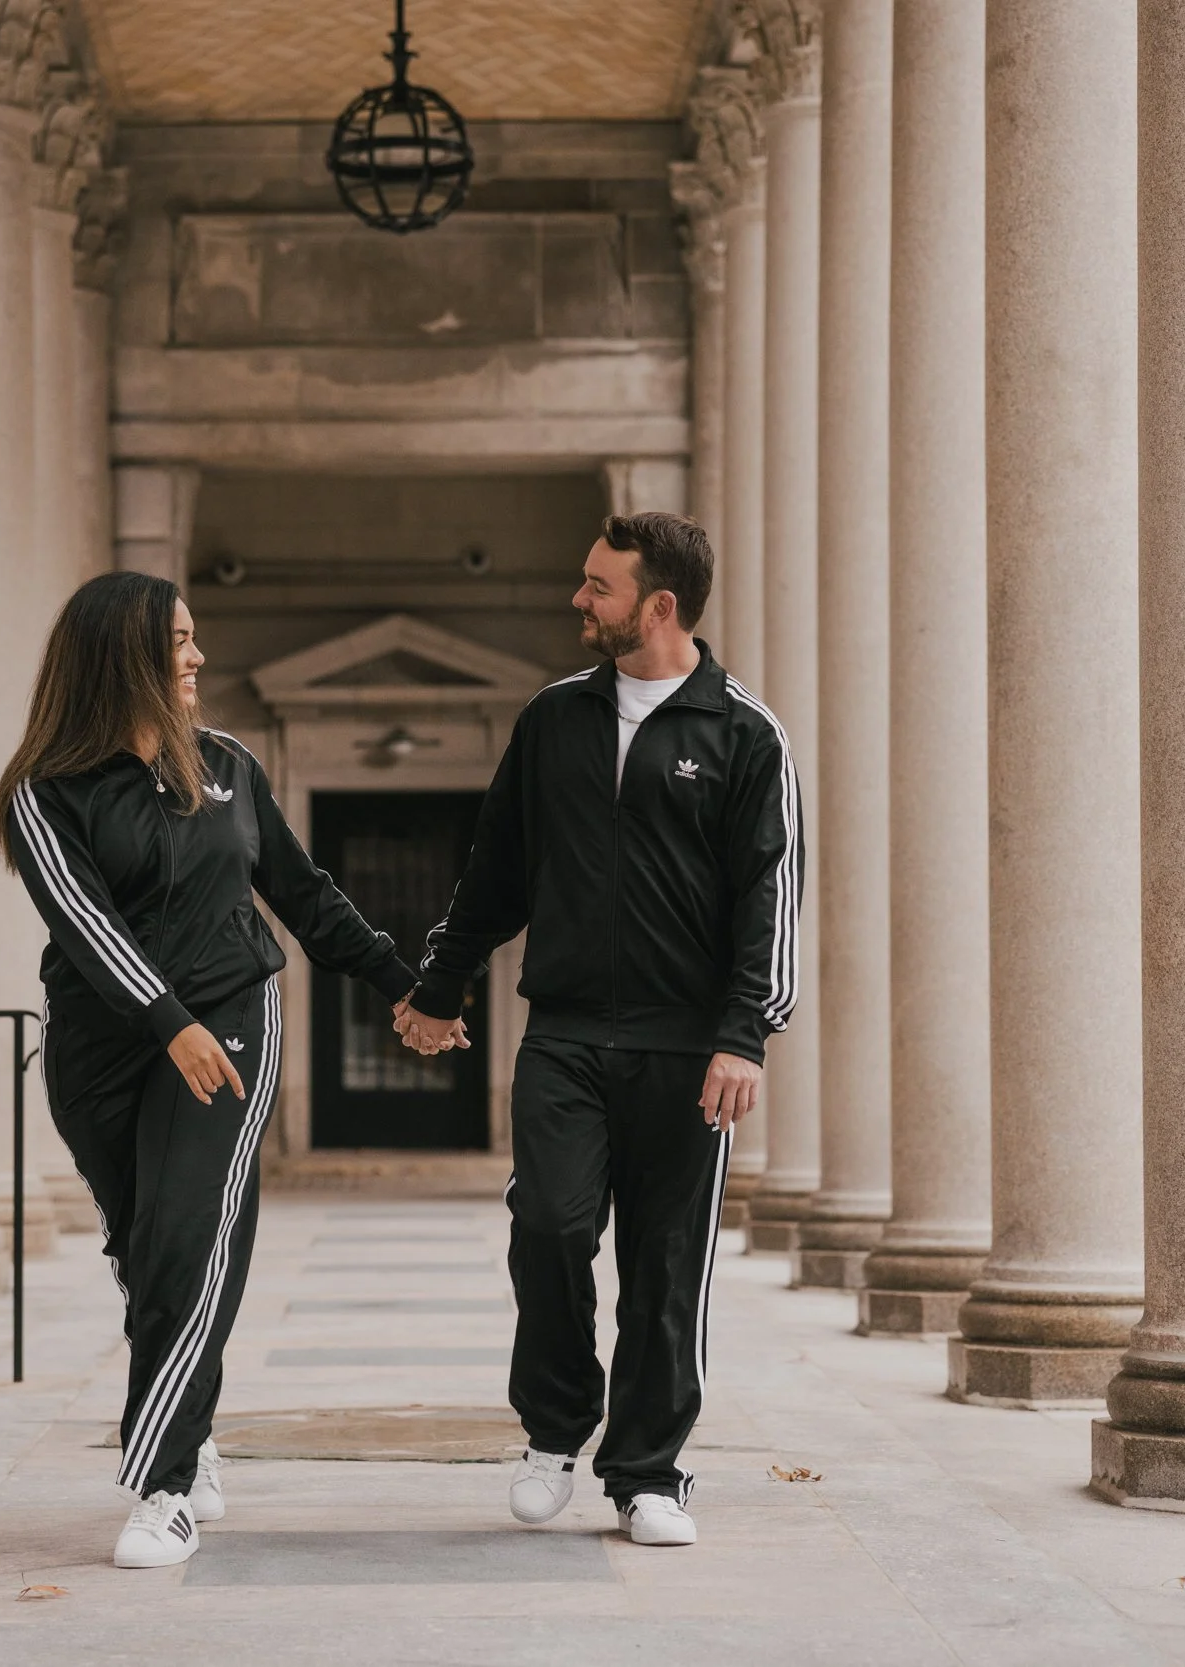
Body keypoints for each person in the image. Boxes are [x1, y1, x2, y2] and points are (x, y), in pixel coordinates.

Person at [395, 510, 802, 1547]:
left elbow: (769, 897)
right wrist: (438, 987)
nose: (578, 599)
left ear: (658, 607)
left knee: (667, 1265)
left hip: (685, 1048)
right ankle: (552, 1431)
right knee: (551, 1225)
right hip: (567, 1032)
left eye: (598, 587)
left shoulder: (744, 734)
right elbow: (494, 871)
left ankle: (649, 1471)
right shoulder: (553, 720)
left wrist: (742, 1035)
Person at [0, 572, 417, 1569]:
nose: (195, 657)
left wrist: (407, 984)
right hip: (102, 1046)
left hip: (231, 1017)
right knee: (148, 1252)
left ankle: (167, 1481)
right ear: (120, 657)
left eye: (193, 637)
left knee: (191, 1235)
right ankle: (193, 1421)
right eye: (176, 640)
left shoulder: (227, 764)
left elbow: (305, 894)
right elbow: (81, 919)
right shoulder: (43, 794)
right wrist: (161, 1018)